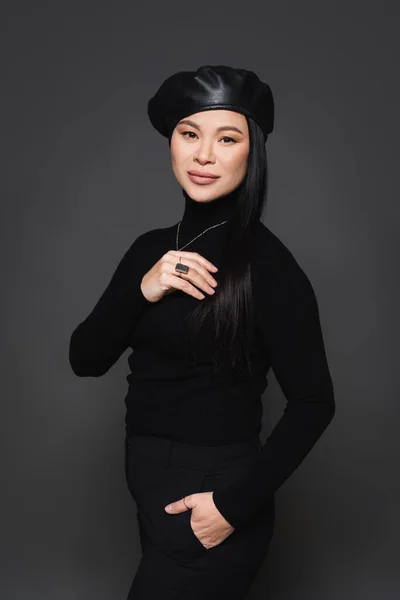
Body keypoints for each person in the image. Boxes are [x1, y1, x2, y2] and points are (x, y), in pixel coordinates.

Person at [69, 65, 336, 599]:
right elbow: (85, 357)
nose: (204, 155)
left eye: (227, 138)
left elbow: (314, 402)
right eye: (190, 134)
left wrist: (230, 507)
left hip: (214, 494)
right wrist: (142, 290)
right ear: (171, 143)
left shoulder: (268, 264)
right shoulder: (151, 250)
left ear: (251, 150)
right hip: (148, 485)